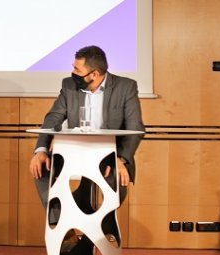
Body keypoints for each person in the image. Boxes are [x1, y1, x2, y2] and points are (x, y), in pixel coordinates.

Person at [29, 45, 144, 227]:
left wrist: (120, 158)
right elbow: (53, 118)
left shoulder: (125, 87)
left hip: (109, 155)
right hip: (74, 152)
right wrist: (41, 149)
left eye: (77, 69)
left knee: (117, 178)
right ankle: (61, 223)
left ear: (95, 74)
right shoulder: (69, 85)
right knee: (41, 167)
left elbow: (135, 127)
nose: (72, 72)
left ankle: (103, 228)